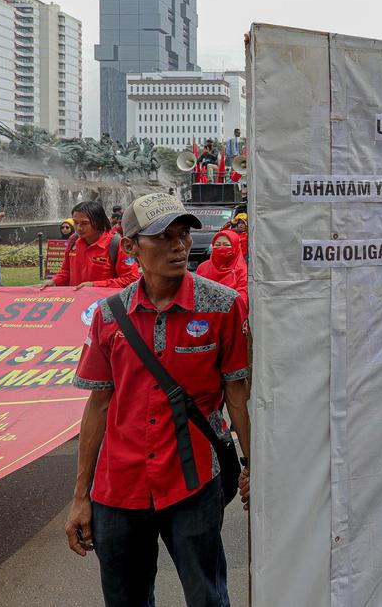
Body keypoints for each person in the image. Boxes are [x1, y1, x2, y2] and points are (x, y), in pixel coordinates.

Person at [64, 192, 250, 606]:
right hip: (117, 487)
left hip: (193, 481)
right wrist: (80, 496)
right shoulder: (109, 314)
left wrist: (255, 466)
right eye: (162, 237)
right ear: (130, 247)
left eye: (182, 235)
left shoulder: (223, 306)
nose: (178, 246)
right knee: (125, 598)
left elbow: (238, 397)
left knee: (208, 595)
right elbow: (97, 405)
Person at [42, 201, 139, 289]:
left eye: (85, 223)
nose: (79, 228)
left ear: (98, 222)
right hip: (76, 303)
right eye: (76, 222)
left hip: (104, 305)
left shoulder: (116, 244)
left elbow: (131, 279)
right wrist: (54, 281)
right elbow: (66, 270)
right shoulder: (73, 240)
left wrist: (94, 285)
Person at [196, 231, 248, 304]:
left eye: (226, 245)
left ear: (235, 247)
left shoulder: (242, 271)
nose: (221, 248)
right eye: (217, 245)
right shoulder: (202, 268)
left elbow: (242, 298)